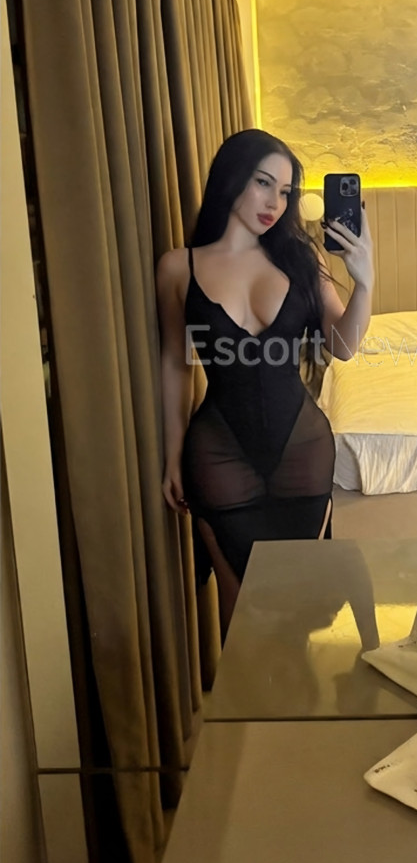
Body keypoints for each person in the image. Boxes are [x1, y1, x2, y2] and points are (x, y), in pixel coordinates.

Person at [156, 128, 374, 633]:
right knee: (239, 608)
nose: (275, 202)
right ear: (231, 177)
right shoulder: (177, 268)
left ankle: (297, 682)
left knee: (301, 595)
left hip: (302, 449)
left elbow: (343, 346)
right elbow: (175, 365)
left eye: (285, 191)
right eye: (262, 183)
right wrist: (172, 456)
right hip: (218, 452)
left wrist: (364, 281)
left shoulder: (301, 259)